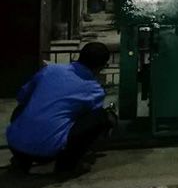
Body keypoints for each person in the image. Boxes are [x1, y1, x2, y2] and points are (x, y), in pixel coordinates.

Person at [6, 42, 117, 175]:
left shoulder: (50, 70)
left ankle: (21, 161)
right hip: (48, 152)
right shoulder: (94, 90)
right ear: (102, 66)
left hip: (15, 145)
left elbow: (22, 96)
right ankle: (66, 166)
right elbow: (86, 120)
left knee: (24, 107)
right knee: (100, 117)